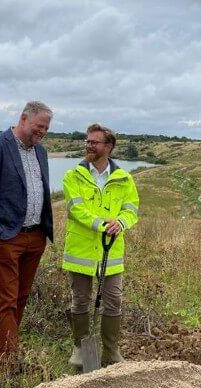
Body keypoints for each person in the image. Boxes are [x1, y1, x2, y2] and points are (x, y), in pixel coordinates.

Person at [0, 101, 54, 373]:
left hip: (35, 237)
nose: (41, 133)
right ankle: (8, 362)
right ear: (23, 118)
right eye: (38, 127)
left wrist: (43, 230)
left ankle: (9, 346)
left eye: (45, 129)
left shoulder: (40, 152)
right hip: (7, 237)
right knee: (6, 299)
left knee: (22, 295)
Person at [62, 124, 139, 368]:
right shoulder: (73, 176)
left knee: (114, 300)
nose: (89, 146)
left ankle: (110, 351)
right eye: (88, 141)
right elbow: (76, 210)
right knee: (81, 300)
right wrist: (101, 224)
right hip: (81, 251)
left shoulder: (124, 179)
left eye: (94, 142)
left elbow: (131, 209)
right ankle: (80, 350)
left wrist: (121, 223)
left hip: (111, 252)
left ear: (109, 146)